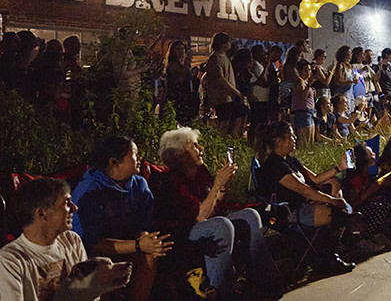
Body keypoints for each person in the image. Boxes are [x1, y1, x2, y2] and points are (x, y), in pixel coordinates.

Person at [154, 127, 280, 299]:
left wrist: (222, 186)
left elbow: (214, 203)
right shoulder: (172, 181)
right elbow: (199, 217)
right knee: (221, 225)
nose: (201, 149)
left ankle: (265, 281)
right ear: (180, 154)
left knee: (250, 215)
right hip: (183, 232)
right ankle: (222, 291)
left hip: (203, 223)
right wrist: (216, 186)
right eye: (194, 146)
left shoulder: (199, 171)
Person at [71, 136, 171, 301]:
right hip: (93, 254)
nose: (140, 159)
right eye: (134, 154)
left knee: (150, 254)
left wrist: (145, 237)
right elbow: (91, 244)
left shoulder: (138, 185)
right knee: (101, 267)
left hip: (127, 247)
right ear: (114, 162)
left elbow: (142, 223)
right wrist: (138, 245)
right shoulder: (89, 191)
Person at [254, 121, 355, 272]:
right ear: (278, 141)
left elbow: (314, 179)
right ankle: (329, 258)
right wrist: (332, 201)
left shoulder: (290, 160)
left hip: (302, 204)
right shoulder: (274, 166)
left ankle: (330, 250)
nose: (294, 138)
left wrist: (339, 168)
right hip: (288, 212)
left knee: (334, 186)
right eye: (290, 136)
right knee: (337, 213)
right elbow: (305, 190)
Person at [0, 178, 95, 301]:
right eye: (66, 202)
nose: (74, 207)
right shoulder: (11, 261)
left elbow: (88, 292)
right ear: (41, 213)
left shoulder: (71, 241)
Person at [202, 33, 245, 136]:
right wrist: (235, 92)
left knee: (230, 121)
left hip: (227, 97)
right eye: (228, 41)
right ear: (223, 44)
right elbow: (220, 79)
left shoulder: (223, 56)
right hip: (221, 97)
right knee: (223, 124)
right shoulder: (215, 58)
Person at [164, 40, 198, 125]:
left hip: (185, 97)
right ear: (173, 51)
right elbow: (181, 79)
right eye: (178, 49)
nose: (181, 51)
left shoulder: (181, 64)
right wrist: (187, 63)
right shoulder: (174, 65)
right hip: (178, 98)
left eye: (182, 48)